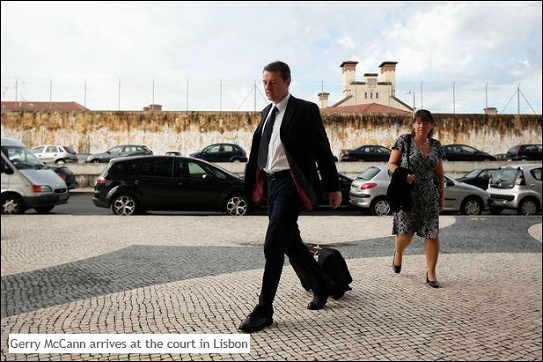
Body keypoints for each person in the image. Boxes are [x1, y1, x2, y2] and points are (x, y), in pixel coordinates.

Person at [239, 60, 343, 333]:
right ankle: (323, 285)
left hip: (291, 183)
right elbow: (259, 151)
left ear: (287, 82)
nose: (267, 87)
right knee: (291, 243)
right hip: (271, 183)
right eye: (264, 82)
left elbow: (322, 150)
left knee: (273, 242)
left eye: (273, 82)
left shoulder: (305, 110)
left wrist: (333, 187)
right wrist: (251, 186)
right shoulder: (266, 112)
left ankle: (264, 309)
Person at [388, 109, 445, 288]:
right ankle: (398, 253)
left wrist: (442, 196)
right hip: (408, 195)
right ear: (413, 124)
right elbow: (391, 164)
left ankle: (431, 273)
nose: (422, 126)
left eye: (425, 122)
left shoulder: (436, 145)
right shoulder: (404, 141)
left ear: (431, 126)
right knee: (406, 234)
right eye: (418, 122)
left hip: (429, 196)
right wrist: (402, 174)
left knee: (432, 234)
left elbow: (440, 173)